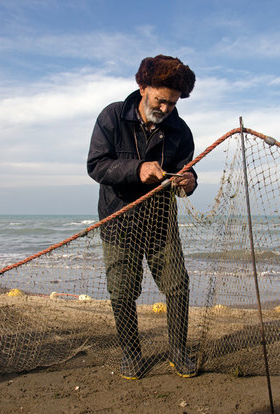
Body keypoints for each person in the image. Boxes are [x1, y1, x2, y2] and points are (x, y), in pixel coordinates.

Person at [87, 55, 198, 380]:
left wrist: (189, 182)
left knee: (177, 286)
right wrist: (137, 169)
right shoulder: (111, 117)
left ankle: (179, 352)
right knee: (121, 291)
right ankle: (131, 356)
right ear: (142, 87)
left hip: (161, 222)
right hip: (118, 221)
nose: (165, 109)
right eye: (160, 100)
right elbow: (96, 166)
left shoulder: (180, 131)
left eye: (172, 103)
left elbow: (187, 173)